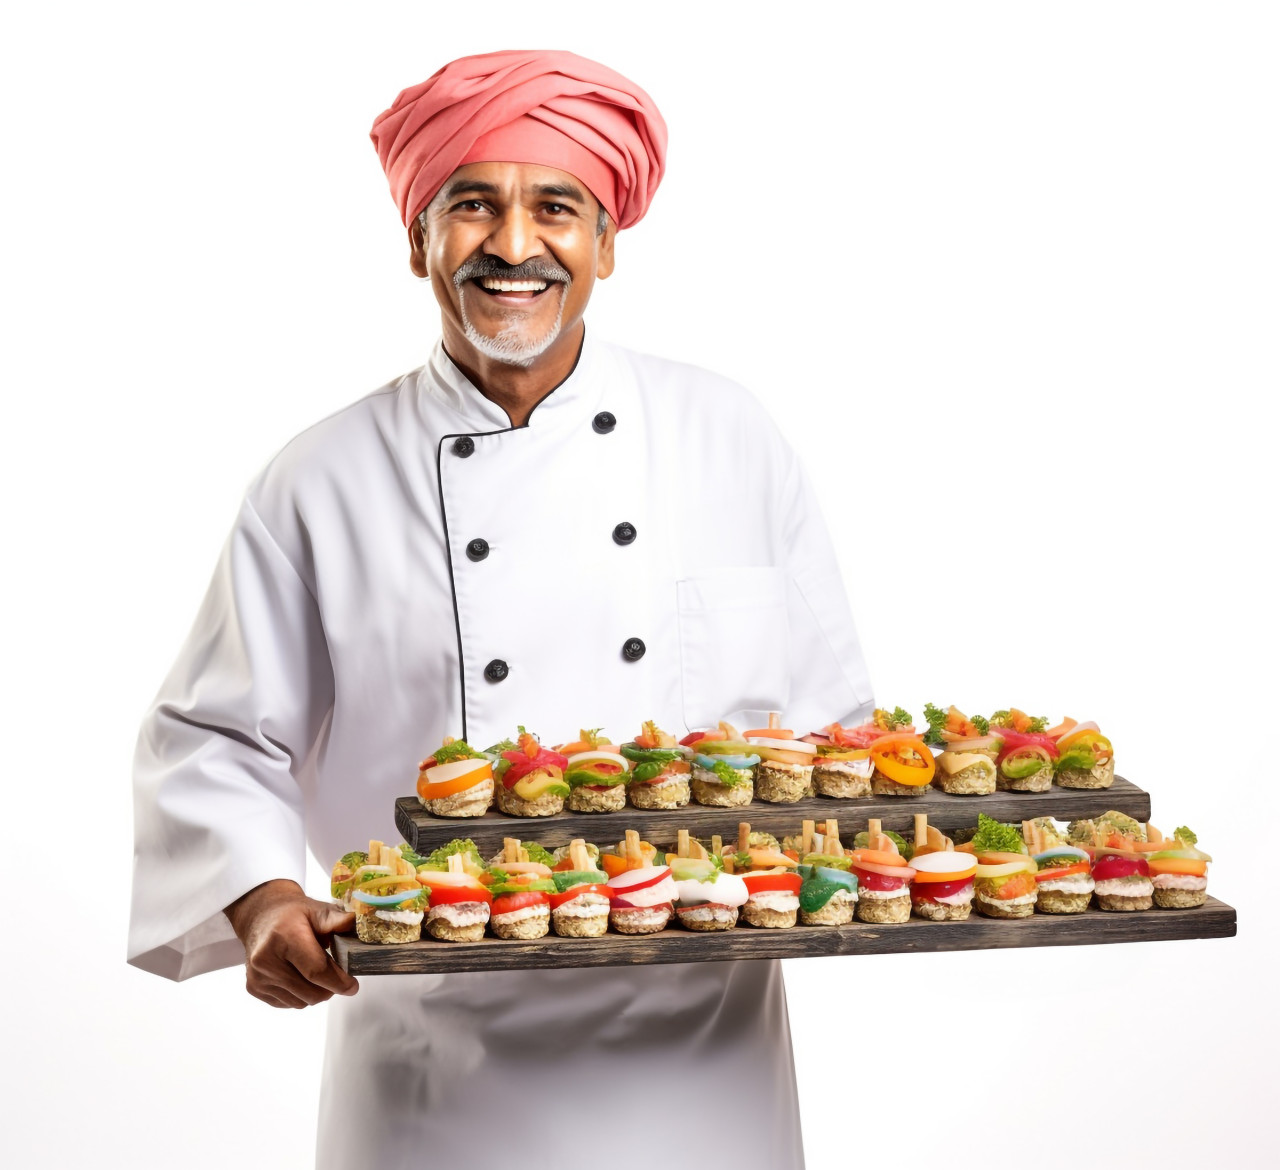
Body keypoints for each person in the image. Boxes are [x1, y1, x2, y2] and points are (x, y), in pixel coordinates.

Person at [128, 49, 874, 1167]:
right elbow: (212, 739)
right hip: (439, 1064)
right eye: (471, 205)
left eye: (555, 207)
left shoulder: (729, 437)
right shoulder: (319, 480)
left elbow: (831, 735)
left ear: (606, 242)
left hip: (701, 1061)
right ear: (417, 240)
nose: (514, 245)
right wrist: (266, 902)